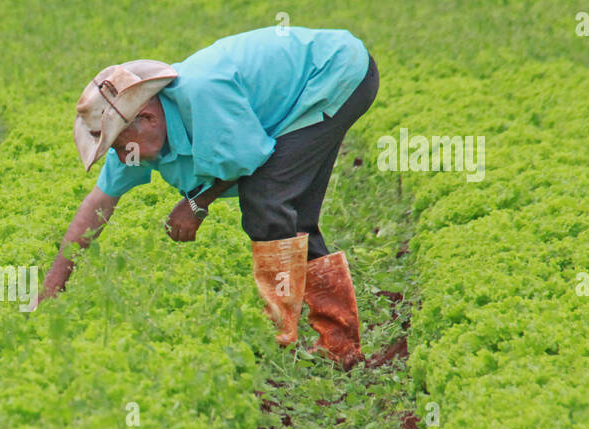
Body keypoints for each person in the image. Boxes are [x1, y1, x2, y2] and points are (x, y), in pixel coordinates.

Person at [40, 26, 379, 370]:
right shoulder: (133, 144)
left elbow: (250, 160)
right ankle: (340, 346)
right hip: (315, 86)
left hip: (334, 74)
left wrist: (196, 205)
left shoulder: (202, 95)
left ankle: (278, 337)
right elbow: (97, 205)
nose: (119, 155)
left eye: (117, 144)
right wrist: (53, 286)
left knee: (266, 200)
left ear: (147, 118)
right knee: (291, 213)